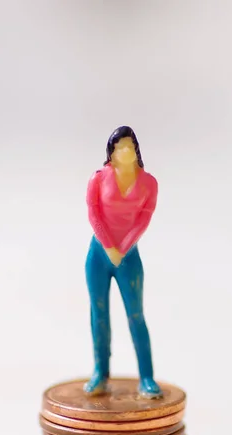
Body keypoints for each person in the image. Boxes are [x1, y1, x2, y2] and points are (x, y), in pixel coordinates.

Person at [84, 125, 162, 398]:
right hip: (99, 256)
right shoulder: (97, 178)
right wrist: (108, 246)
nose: (125, 151)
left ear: (136, 149)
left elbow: (143, 220)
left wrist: (123, 248)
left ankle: (147, 377)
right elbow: (94, 215)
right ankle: (100, 373)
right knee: (99, 313)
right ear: (112, 153)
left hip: (129, 259)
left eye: (130, 146)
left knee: (136, 315)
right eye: (120, 147)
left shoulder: (149, 183)